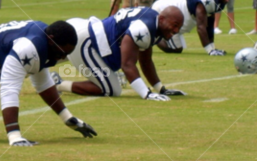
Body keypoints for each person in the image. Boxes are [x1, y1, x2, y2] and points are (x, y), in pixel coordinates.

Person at [54, 6, 185, 99]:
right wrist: (146, 93)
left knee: (49, 58)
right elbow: (127, 64)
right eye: (174, 25)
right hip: (88, 41)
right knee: (111, 89)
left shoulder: (154, 25)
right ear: (162, 19)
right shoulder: (144, 27)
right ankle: (57, 84)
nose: (176, 30)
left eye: (179, 27)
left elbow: (145, 61)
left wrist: (161, 89)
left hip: (89, 35)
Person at [153, 0, 235, 56]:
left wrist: (213, 48)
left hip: (178, 18)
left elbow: (209, 24)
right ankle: (154, 37)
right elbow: (201, 27)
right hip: (163, 10)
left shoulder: (220, 0)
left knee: (180, 46)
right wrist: (210, 50)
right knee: (176, 49)